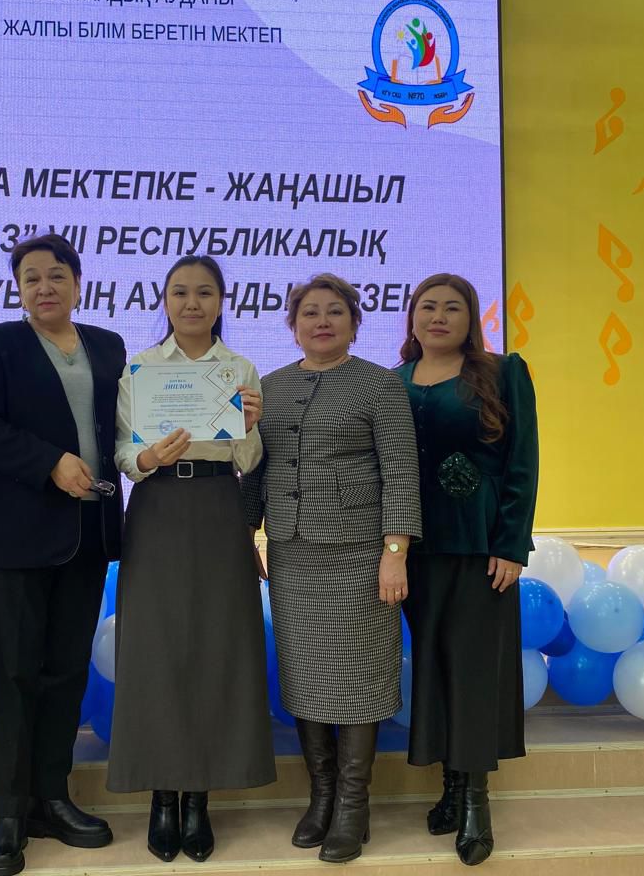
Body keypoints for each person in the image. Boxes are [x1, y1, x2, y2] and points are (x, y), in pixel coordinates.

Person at [0, 234, 126, 876]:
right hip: (19, 534)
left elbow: (129, 424)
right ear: (19, 290)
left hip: (90, 532)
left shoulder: (108, 346)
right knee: (14, 672)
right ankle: (9, 812)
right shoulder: (0, 343)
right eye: (31, 278)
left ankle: (53, 797)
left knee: (65, 671)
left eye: (56, 275)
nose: (44, 286)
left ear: (78, 282)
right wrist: (49, 461)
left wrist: (224, 412)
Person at [241, 273, 420, 864]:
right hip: (292, 553)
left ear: (354, 323)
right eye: (310, 313)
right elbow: (256, 469)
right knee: (306, 673)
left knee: (360, 675)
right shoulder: (269, 387)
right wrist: (246, 534)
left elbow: (400, 471)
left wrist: (395, 553)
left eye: (335, 311)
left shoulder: (379, 384)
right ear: (293, 325)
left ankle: (353, 805)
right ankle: (320, 798)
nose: (322, 321)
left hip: (360, 553)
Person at [108, 256, 275, 864]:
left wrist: (250, 426)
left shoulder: (239, 369)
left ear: (222, 301)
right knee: (156, 650)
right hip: (156, 507)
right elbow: (121, 453)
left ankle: (199, 796)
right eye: (180, 292)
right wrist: (146, 458)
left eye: (204, 292)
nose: (192, 303)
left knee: (215, 646)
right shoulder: (140, 369)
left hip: (217, 506)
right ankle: (162, 796)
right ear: (165, 301)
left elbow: (249, 462)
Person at [395, 273, 538, 867]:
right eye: (427, 306)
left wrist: (512, 544)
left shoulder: (503, 373)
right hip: (414, 549)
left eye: (452, 307)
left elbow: (522, 461)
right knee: (435, 667)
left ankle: (477, 800)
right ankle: (450, 787)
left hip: (482, 548)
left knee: (475, 671)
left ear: (471, 318)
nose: (438, 316)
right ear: (411, 317)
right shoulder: (394, 381)